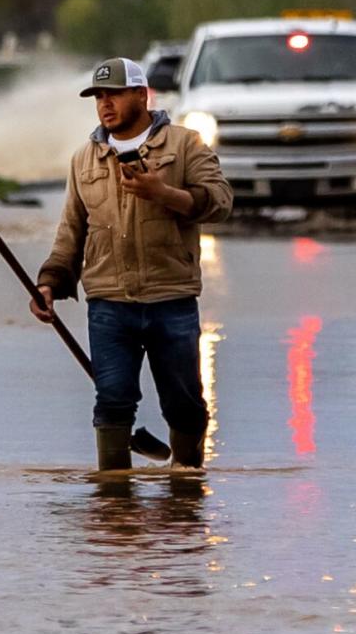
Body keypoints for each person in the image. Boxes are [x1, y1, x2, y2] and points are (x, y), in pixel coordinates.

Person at [31, 57, 233, 471]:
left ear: (141, 95)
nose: (105, 104)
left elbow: (220, 202)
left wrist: (164, 193)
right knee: (113, 400)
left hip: (171, 297)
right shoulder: (83, 159)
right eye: (99, 96)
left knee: (184, 402)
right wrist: (50, 282)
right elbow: (71, 231)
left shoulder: (186, 145)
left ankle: (188, 483)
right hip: (108, 302)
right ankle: (114, 503)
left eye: (115, 94)